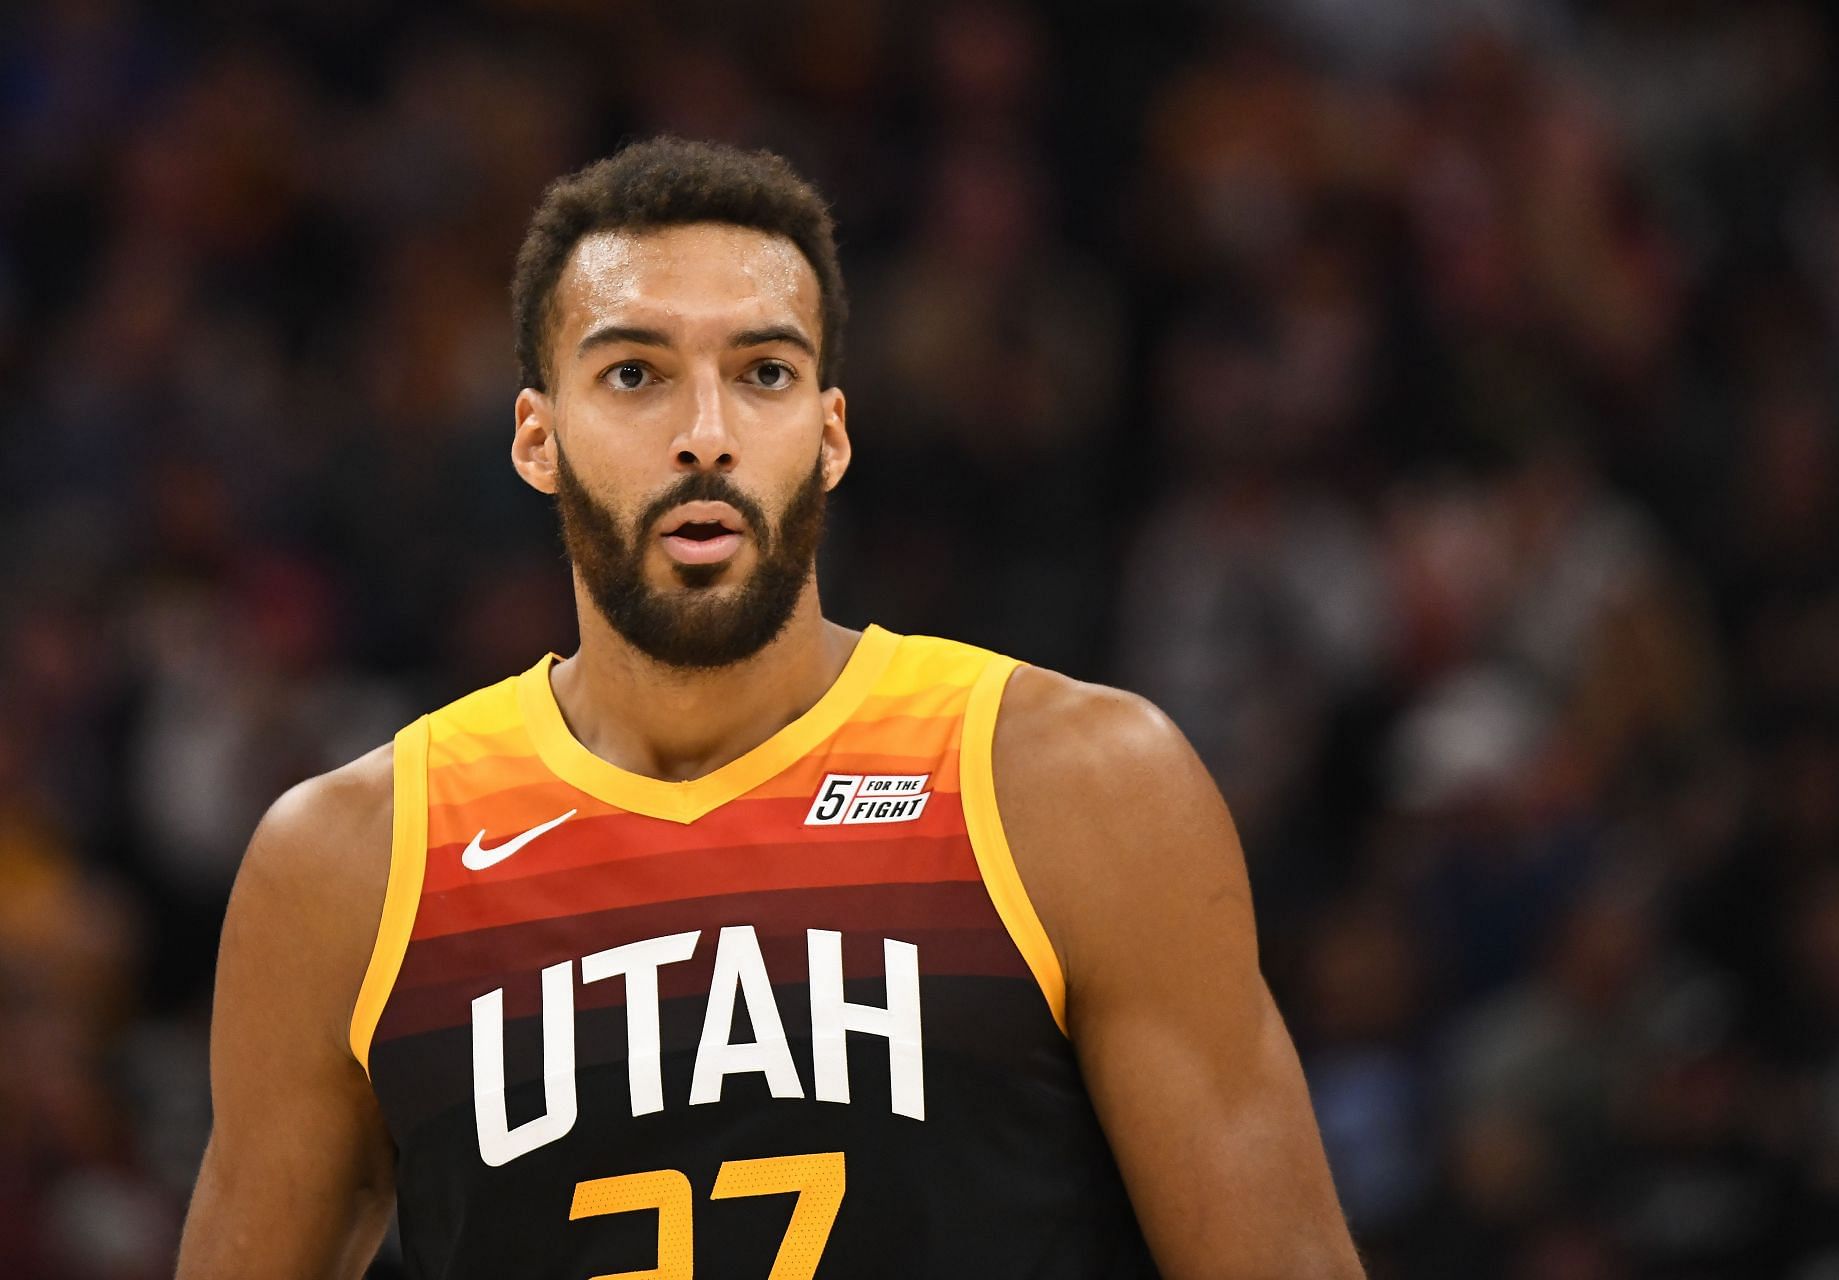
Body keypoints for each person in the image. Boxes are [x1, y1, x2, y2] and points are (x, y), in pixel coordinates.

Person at [174, 136, 1365, 1280]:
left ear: (830, 433)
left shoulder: (1072, 786)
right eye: (634, 373)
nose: (707, 436)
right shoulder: (350, 865)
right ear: (538, 437)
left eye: (764, 374)